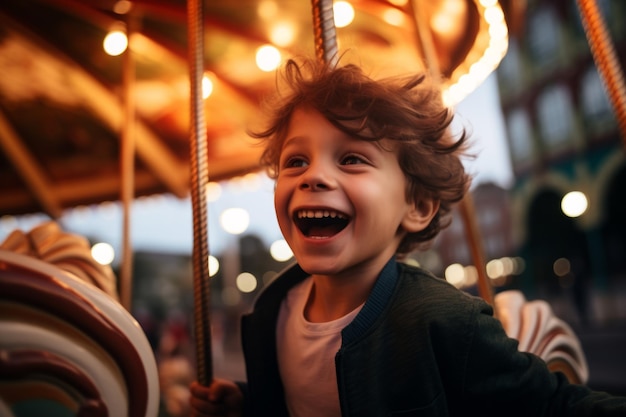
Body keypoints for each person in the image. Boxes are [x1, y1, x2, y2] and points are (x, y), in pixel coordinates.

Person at [189, 57, 626, 417]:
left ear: (415, 207)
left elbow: (555, 407)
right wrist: (247, 403)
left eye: (352, 159)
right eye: (296, 161)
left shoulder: (445, 320)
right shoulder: (273, 313)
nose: (314, 176)